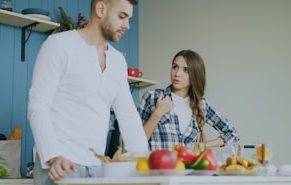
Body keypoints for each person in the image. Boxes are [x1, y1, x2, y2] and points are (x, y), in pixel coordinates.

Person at [27, 0, 148, 184]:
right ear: (101, 9)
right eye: (122, 17)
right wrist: (54, 156)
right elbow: (38, 106)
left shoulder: (117, 61)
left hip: (98, 168)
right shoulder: (59, 45)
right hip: (60, 167)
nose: (127, 25)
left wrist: (145, 161)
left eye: (129, 19)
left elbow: (128, 116)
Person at [138, 49, 240, 151]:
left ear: (195, 75)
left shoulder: (201, 105)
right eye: (175, 67)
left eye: (186, 70)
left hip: (187, 166)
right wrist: (158, 113)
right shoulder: (152, 97)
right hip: (157, 166)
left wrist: (203, 146)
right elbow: (135, 142)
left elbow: (232, 134)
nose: (177, 73)